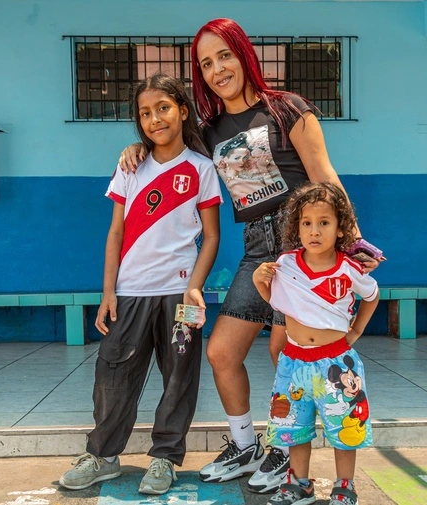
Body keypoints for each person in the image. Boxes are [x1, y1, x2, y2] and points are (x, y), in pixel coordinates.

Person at [117, 18, 379, 494]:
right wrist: (138, 145)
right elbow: (167, 140)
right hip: (257, 250)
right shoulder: (210, 130)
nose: (217, 69)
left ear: (244, 54)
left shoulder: (288, 109)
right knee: (221, 352)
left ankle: (284, 451)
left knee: (284, 351)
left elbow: (323, 174)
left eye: (225, 56)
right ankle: (245, 446)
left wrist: (353, 240)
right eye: (206, 63)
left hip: (300, 250)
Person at [59, 73, 222, 495]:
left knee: (179, 379)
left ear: (182, 111)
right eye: (145, 113)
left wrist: (196, 286)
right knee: (112, 374)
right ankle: (103, 456)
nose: (155, 119)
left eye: (163, 108)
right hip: (129, 292)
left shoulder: (201, 168)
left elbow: (211, 236)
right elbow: (115, 232)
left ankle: (165, 459)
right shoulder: (130, 165)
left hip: (179, 293)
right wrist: (108, 292)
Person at [252, 182, 379, 505]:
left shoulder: (349, 268)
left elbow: (372, 295)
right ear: (297, 227)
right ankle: (299, 483)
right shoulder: (286, 264)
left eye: (324, 222)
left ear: (340, 228)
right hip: (293, 363)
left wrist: (356, 331)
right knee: (293, 427)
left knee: (344, 427)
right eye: (306, 223)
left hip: (336, 363)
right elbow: (277, 302)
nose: (315, 231)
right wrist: (258, 281)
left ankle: (345, 486)